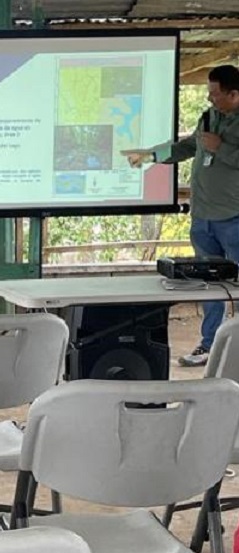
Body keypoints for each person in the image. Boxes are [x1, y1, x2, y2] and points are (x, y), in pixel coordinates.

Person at [124, 64, 239, 367]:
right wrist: (150, 155)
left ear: (234, 94)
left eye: (215, 94)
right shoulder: (209, 117)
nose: (210, 99)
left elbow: (223, 153)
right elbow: (188, 147)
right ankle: (209, 345)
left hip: (234, 217)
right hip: (203, 218)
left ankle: (236, 350)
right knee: (209, 285)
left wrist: (222, 149)